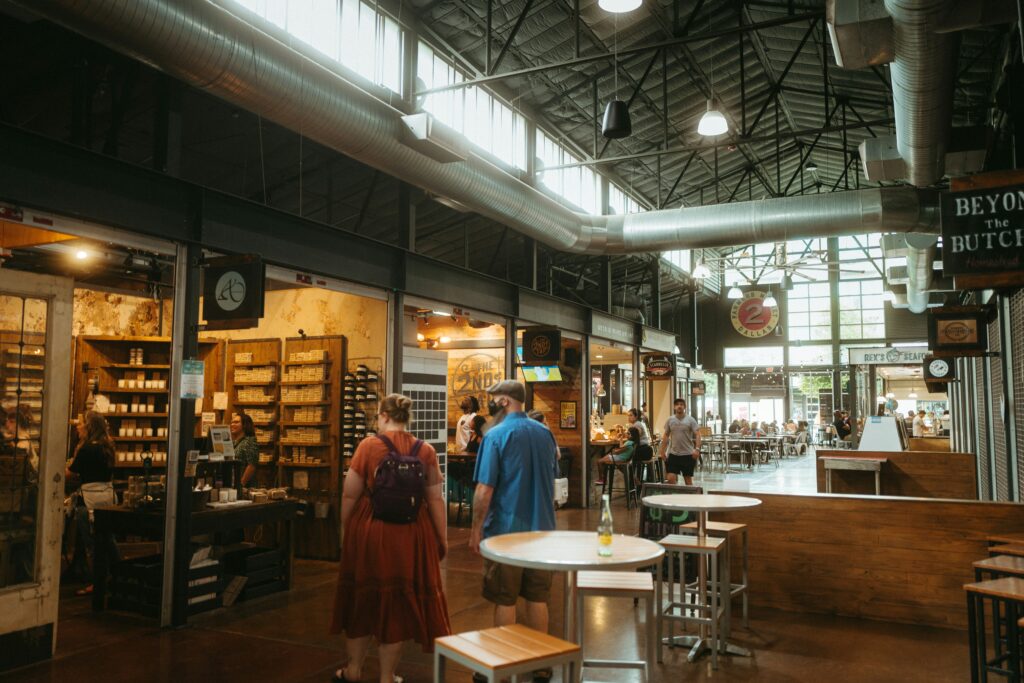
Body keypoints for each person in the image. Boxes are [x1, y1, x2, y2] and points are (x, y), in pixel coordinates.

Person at [330, 393, 450, 683]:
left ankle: (354, 671)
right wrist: (442, 538)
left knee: (363, 598)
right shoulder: (425, 451)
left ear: (383, 416)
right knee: (396, 603)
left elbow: (349, 494)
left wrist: (347, 529)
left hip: (371, 530)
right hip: (411, 534)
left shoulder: (368, 446)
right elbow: (435, 499)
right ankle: (387, 676)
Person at [470, 380, 559, 683]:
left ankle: (501, 665)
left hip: (506, 533)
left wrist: (475, 530)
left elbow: (484, 490)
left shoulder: (495, 436)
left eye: (494, 398)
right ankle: (541, 664)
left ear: (505, 401)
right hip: (543, 530)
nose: (490, 403)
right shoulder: (545, 434)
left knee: (505, 598)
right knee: (538, 597)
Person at [66, 411, 115, 596]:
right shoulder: (107, 446)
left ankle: (98, 582)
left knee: (91, 544)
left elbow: (70, 473)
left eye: (81, 424)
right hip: (107, 497)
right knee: (107, 539)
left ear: (89, 427)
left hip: (88, 500)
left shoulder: (87, 448)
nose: (78, 427)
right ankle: (115, 576)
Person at [659, 398, 701, 485]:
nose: (679, 406)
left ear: (684, 407)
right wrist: (662, 451)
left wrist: (697, 449)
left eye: (681, 404)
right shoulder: (670, 420)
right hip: (673, 454)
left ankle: (689, 494)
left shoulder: (691, 420)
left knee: (688, 481)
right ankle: (675, 494)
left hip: (687, 454)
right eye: (677, 404)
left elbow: (698, 434)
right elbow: (666, 435)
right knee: (670, 478)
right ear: (674, 407)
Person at [231, 412, 259, 488]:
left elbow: (252, 465)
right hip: (234, 484)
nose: (232, 424)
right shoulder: (235, 442)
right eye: (232, 422)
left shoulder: (250, 441)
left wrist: (241, 485)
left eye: (236, 422)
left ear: (244, 425)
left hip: (246, 487)